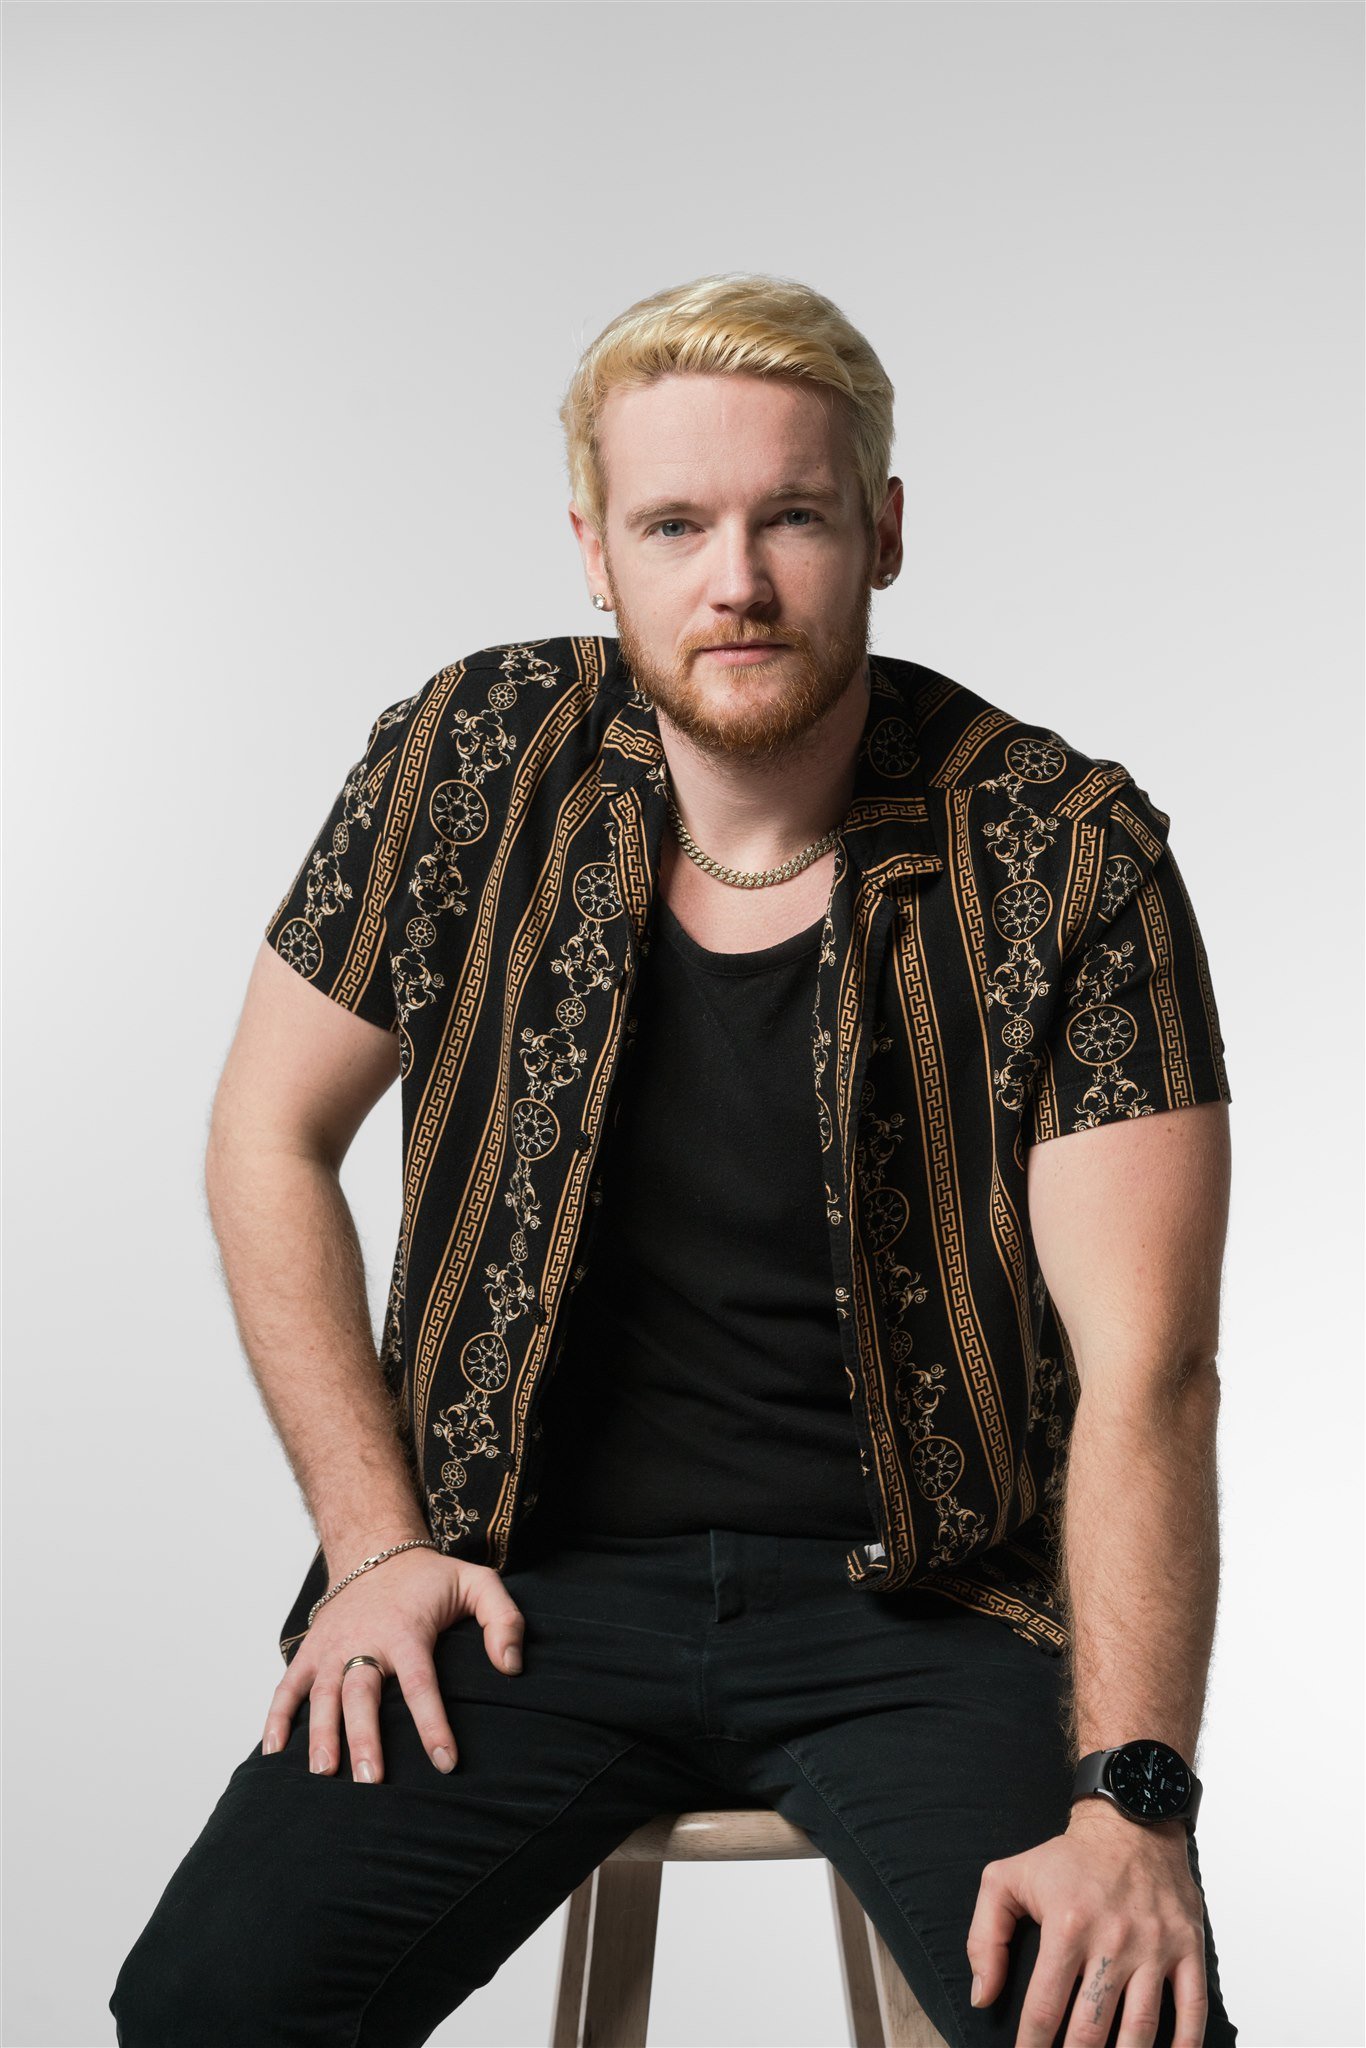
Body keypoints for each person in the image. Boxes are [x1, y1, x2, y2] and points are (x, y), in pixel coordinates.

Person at [110, 273, 1239, 2047]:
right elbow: (267, 1134)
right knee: (207, 2009)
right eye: (675, 524)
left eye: (790, 515)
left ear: (877, 530)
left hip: (928, 1604)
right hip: (516, 1587)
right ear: (593, 550)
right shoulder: (469, 756)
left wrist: (1131, 1803)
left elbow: (1147, 1370)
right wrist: (372, 1545)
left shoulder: (1061, 851)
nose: (736, 580)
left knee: (1111, 2035)